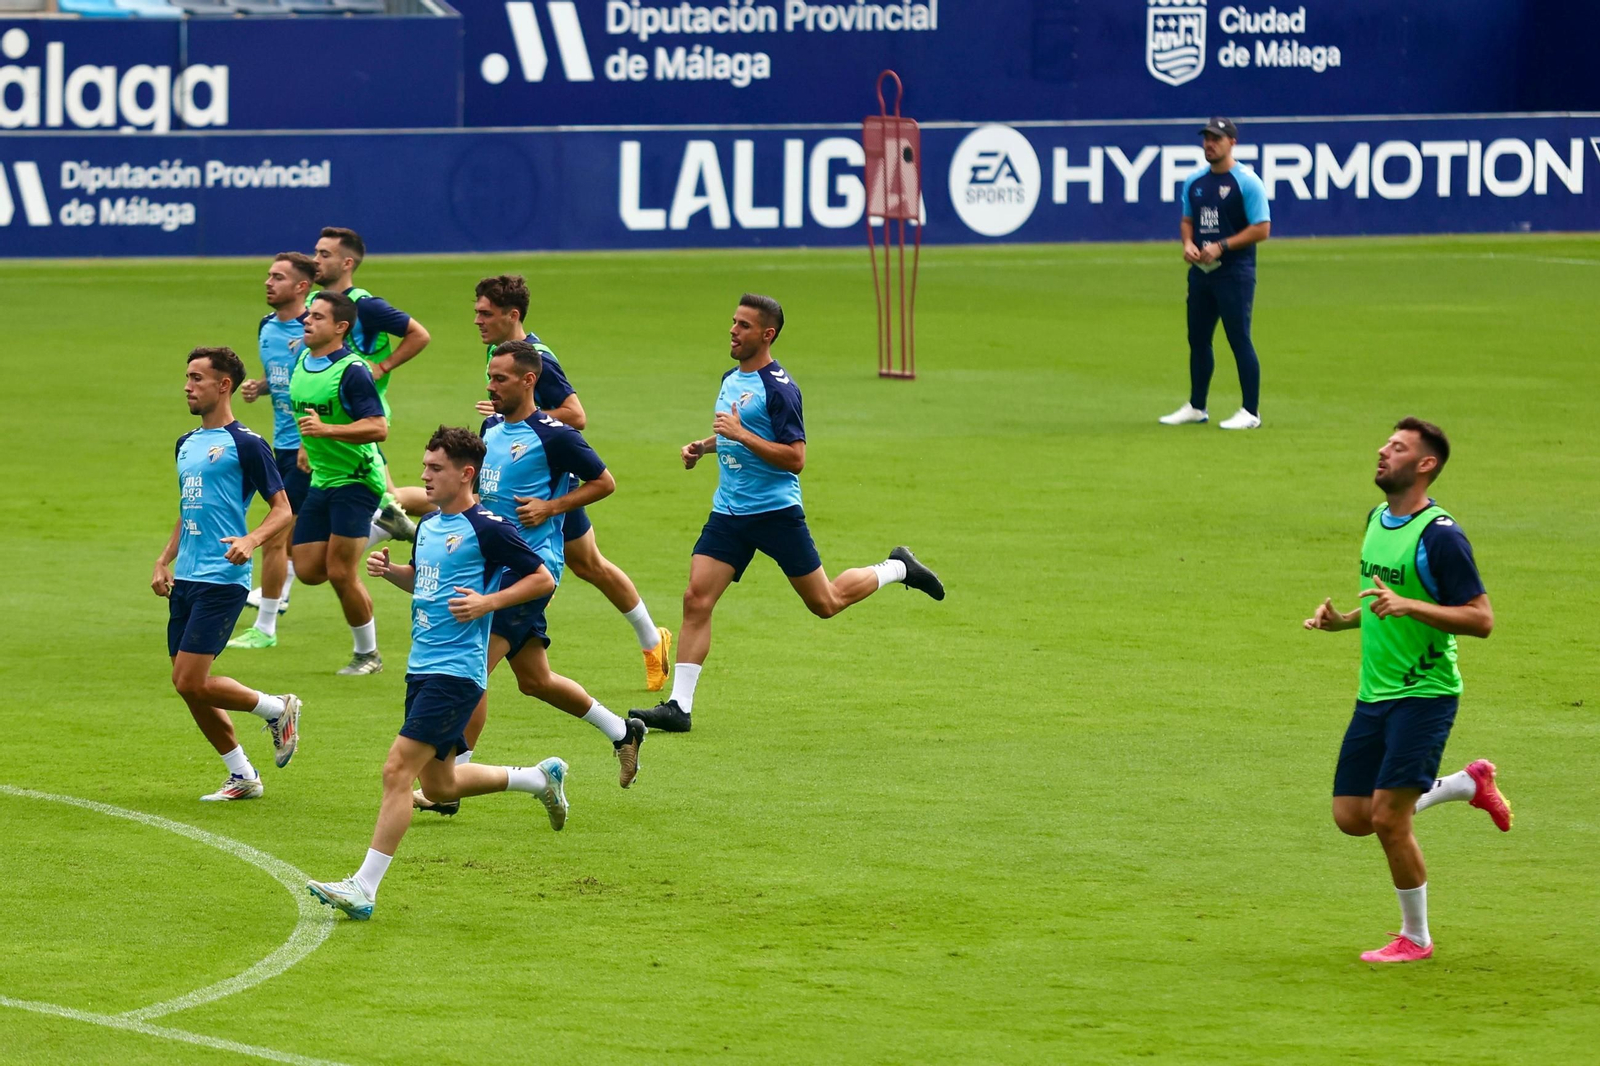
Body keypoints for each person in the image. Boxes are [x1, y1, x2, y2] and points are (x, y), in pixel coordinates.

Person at [629, 294, 945, 734]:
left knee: (825, 603)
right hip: (730, 511)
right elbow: (739, 433)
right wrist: (705, 447)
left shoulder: (780, 388)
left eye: (743, 325)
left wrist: (739, 433)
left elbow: (795, 457)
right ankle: (679, 707)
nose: (733, 331)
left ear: (767, 334)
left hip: (775, 512)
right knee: (696, 599)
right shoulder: (730, 378)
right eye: (733, 322)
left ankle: (897, 567)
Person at [306, 426, 567, 921]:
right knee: (442, 785)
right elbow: (427, 583)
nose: (423, 476)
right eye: (425, 467)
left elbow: (542, 577)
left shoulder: (489, 527)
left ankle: (364, 887)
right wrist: (393, 574)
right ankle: (538, 779)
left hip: (456, 672)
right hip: (422, 666)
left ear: (466, 474)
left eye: (435, 469)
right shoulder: (428, 525)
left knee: (396, 771)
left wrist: (490, 601)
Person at [1304, 417, 1512, 964]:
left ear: (1425, 465)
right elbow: (1388, 603)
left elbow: (1481, 619)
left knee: (1388, 819)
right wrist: (1346, 622)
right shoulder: (1377, 517)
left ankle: (1415, 938)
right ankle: (1468, 783)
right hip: (1374, 692)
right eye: (1384, 443)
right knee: (1352, 815)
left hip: (1425, 693)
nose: (1381, 450)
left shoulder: (1441, 536)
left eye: (1397, 448)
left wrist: (1411, 606)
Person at [399, 274, 672, 690]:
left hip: (544, 476)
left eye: (485, 313)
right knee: (587, 565)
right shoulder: (501, 354)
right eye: (476, 312)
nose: (477, 320)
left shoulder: (536, 358)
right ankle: (651, 640)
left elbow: (575, 415)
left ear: (512, 316)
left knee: (589, 564)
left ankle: (653, 641)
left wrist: (527, 428)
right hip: (523, 475)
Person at [417, 340, 644, 814]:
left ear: (528, 380)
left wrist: (552, 506)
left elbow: (605, 482)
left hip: (530, 570)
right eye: (489, 377)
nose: (490, 386)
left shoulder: (555, 434)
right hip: (489, 567)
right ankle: (623, 731)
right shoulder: (490, 428)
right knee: (534, 680)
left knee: (472, 667)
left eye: (500, 378)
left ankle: (452, 782)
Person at [154, 347, 301, 800]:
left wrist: (251, 540)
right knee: (190, 688)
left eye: (197, 378)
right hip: (189, 578)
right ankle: (242, 775)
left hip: (223, 578)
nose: (187, 385)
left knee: (190, 680)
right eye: (186, 376)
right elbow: (188, 508)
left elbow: (283, 510)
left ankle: (278, 709)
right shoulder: (185, 443)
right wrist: (164, 560)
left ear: (223, 386)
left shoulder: (248, 444)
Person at [288, 292, 390, 675]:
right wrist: (306, 441)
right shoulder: (303, 360)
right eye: (307, 315)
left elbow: (379, 427)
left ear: (341, 327)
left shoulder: (352, 370)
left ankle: (368, 655)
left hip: (357, 479)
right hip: (323, 477)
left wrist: (325, 430)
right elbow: (308, 411)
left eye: (316, 317)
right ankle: (381, 527)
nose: (306, 321)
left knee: (340, 571)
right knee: (309, 569)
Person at [309, 226, 431, 542]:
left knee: (371, 495)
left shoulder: (366, 306)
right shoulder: (315, 303)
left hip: (360, 417)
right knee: (387, 494)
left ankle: (278, 587)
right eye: (316, 252)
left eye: (324, 254)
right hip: (329, 415)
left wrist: (383, 365)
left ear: (347, 263)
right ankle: (462, 510)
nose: (315, 260)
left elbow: (420, 334)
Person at [1159, 117, 1271, 431]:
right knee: (1197, 339)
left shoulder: (1246, 181)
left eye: (1217, 139)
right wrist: (1187, 244)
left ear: (1232, 142)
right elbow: (1187, 220)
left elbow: (1262, 228)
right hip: (1201, 273)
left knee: (1238, 339)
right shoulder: (1195, 181)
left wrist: (1222, 245)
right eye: (1207, 138)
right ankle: (1197, 406)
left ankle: (1251, 412)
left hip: (1235, 273)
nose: (1210, 144)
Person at [232, 251, 316, 649]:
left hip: (305, 445)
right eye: (268, 275)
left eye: (278, 277)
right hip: (280, 442)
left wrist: (307, 442)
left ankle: (265, 628)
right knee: (298, 532)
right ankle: (387, 517)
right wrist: (259, 386)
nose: (268, 282)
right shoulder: (267, 327)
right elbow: (282, 378)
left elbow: (318, 384)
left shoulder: (314, 331)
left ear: (301, 287)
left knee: (276, 531)